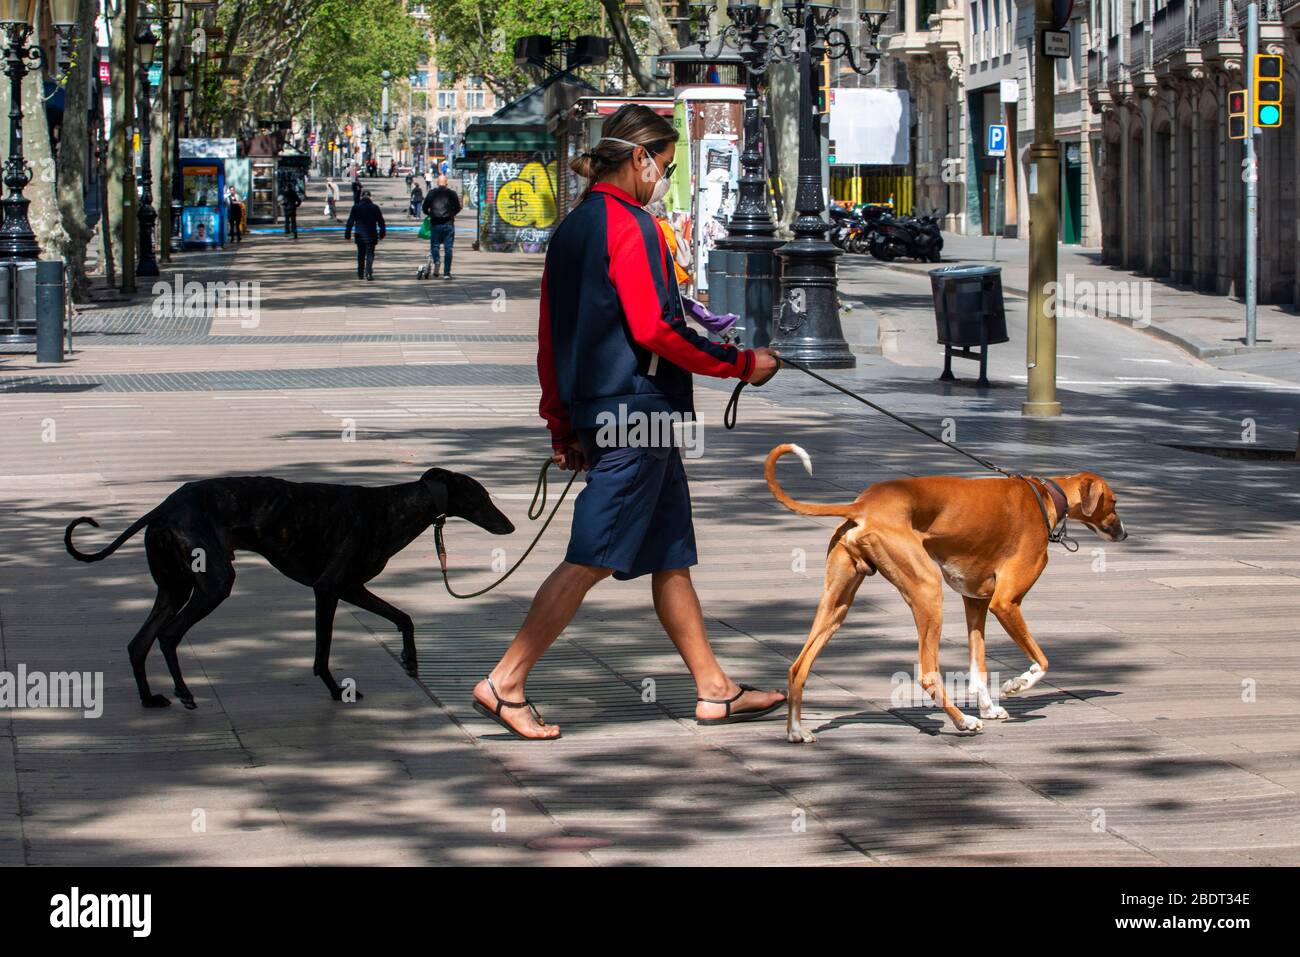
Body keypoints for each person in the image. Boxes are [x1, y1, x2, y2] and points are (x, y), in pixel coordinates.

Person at [471, 104, 783, 740]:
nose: (664, 178)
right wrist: (741, 363)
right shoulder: (630, 225)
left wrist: (562, 423)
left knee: (670, 555)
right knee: (592, 554)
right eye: (665, 166)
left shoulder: (573, 227)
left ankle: (714, 689)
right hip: (638, 413)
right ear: (639, 159)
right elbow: (654, 329)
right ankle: (506, 682)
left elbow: (550, 339)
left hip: (611, 411)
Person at [421, 173, 462, 279]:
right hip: (448, 223)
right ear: (447, 183)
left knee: (435, 246)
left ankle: (437, 261)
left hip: (435, 223)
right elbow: (457, 207)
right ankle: (446, 273)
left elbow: (424, 207)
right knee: (448, 248)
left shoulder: (431, 193)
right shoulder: (452, 193)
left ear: (437, 183)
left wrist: (429, 214)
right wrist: (452, 214)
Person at [344, 188, 385, 280]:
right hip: (371, 235)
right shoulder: (375, 207)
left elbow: (350, 222)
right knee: (370, 254)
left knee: (361, 254)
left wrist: (347, 235)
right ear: (370, 197)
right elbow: (381, 222)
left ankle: (360, 273)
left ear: (361, 197)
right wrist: (382, 234)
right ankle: (369, 273)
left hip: (359, 235)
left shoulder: (356, 207)